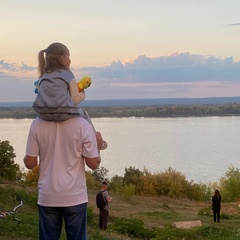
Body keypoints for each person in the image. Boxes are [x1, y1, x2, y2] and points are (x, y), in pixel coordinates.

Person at [24, 115, 102, 239]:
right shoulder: (83, 124)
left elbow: (30, 164)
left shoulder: (37, 124)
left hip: (48, 195)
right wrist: (97, 147)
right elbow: (93, 164)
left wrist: (30, 153)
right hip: (74, 196)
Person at [33, 42, 107, 149]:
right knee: (84, 114)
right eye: (69, 56)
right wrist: (82, 93)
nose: (70, 60)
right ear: (62, 59)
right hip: (64, 112)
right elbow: (75, 99)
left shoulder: (43, 76)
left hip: (44, 113)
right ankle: (96, 142)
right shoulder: (67, 75)